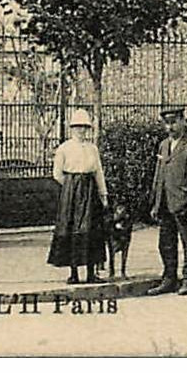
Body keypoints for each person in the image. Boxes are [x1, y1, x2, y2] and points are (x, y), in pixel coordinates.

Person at [147, 106, 187, 296]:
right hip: (165, 203)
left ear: (183, 122)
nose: (170, 127)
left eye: (174, 122)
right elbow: (159, 175)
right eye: (167, 123)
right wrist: (156, 203)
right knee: (165, 243)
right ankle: (169, 279)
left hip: (184, 203)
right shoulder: (163, 145)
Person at [48, 108, 108, 284]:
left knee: (92, 230)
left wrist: (103, 194)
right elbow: (57, 174)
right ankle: (73, 274)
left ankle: (91, 273)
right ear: (71, 129)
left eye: (84, 127)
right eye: (78, 127)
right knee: (72, 229)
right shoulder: (64, 148)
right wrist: (71, 188)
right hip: (72, 193)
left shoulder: (92, 149)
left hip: (90, 192)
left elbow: (98, 172)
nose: (81, 130)